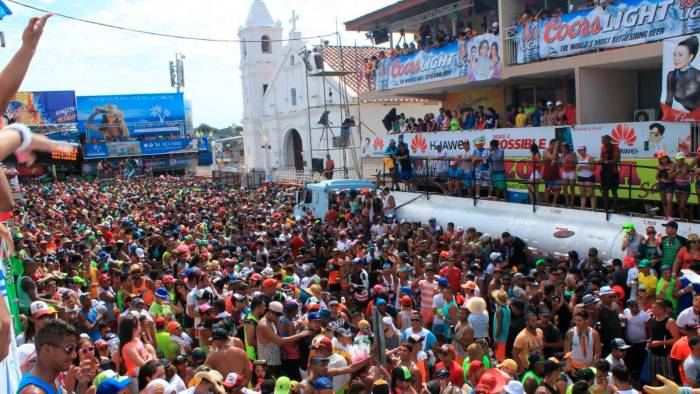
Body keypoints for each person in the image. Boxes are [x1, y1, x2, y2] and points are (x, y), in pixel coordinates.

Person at [18, 319, 94, 394]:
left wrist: (82, 384)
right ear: (47, 349)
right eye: (69, 348)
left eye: (75, 348)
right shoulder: (33, 392)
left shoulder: (51, 378)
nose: (74, 355)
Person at [664, 35, 700, 113]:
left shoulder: (698, 76)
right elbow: (668, 100)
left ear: (690, 57)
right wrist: (667, 116)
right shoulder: (672, 76)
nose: (676, 58)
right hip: (685, 119)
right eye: (675, 55)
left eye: (680, 55)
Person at [599, 135, 621, 211]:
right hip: (604, 172)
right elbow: (601, 158)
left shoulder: (615, 147)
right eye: (602, 141)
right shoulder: (602, 148)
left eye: (604, 141)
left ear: (609, 140)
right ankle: (606, 209)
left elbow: (617, 159)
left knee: (614, 191)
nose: (603, 142)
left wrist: (606, 162)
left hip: (613, 172)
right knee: (604, 191)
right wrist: (600, 161)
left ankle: (615, 209)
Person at [576, 145, 596, 210]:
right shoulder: (579, 158)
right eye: (578, 150)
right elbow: (577, 168)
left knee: (591, 194)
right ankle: (582, 208)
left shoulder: (589, 157)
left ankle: (593, 209)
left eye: (581, 150)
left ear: (584, 150)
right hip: (580, 177)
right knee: (582, 194)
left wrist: (583, 167)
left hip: (589, 177)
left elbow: (594, 167)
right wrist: (578, 168)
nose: (579, 151)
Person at [542, 139, 561, 206]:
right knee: (548, 190)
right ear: (552, 144)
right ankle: (547, 204)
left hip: (556, 173)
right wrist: (555, 148)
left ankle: (554, 203)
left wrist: (559, 162)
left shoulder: (556, 151)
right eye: (556, 144)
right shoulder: (545, 150)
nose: (557, 146)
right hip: (548, 174)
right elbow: (552, 157)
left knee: (558, 189)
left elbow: (558, 161)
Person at [657, 152, 675, 219]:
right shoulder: (659, 165)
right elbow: (657, 177)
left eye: (664, 158)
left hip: (670, 183)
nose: (663, 160)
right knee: (664, 201)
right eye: (661, 159)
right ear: (659, 160)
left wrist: (664, 170)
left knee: (669, 201)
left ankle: (669, 216)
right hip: (662, 183)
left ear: (667, 158)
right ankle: (666, 216)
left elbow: (670, 176)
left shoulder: (673, 164)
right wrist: (660, 171)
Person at [560, 143, 577, 207]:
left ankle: (572, 203)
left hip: (572, 172)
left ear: (566, 148)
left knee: (572, 187)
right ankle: (567, 202)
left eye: (563, 148)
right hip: (565, 172)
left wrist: (568, 163)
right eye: (561, 148)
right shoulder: (562, 155)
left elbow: (575, 163)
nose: (562, 149)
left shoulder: (573, 153)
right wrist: (558, 162)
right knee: (564, 188)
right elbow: (560, 165)